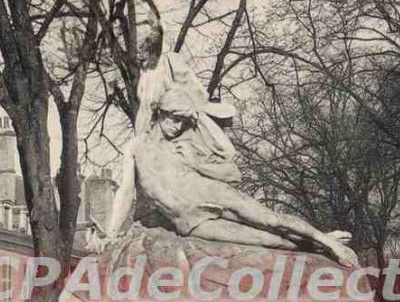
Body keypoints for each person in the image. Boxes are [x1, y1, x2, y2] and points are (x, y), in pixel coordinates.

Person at [90, 84, 358, 266]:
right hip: (190, 221)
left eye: (182, 121)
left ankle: (326, 240)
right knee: (264, 240)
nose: (177, 126)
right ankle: (319, 247)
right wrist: (111, 232)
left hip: (209, 192)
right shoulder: (136, 147)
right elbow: (125, 191)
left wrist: (195, 161)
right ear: (160, 113)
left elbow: (232, 173)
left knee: (271, 219)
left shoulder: (184, 144)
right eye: (174, 119)